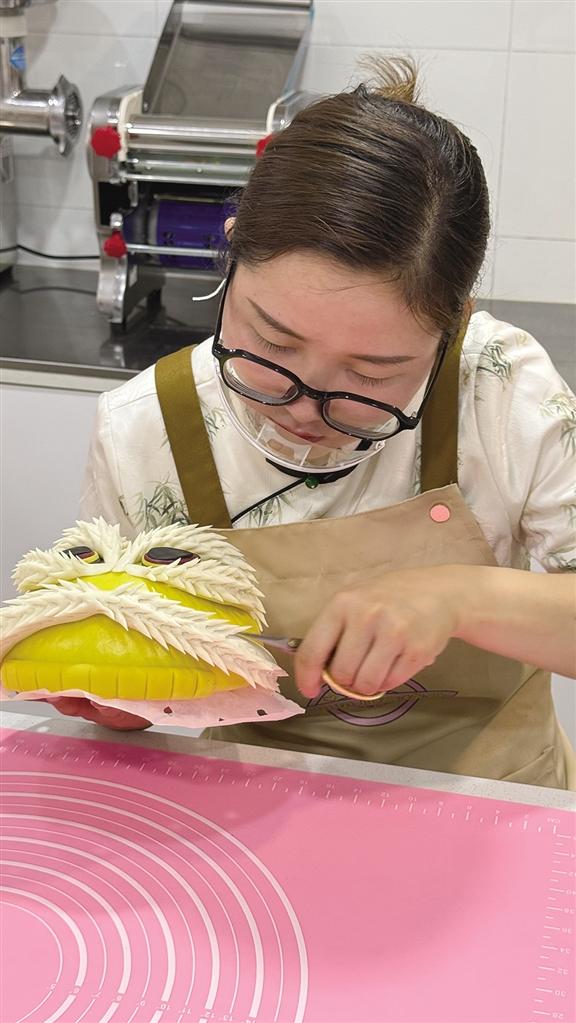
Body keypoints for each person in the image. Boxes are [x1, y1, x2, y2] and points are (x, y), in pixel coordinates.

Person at [54, 58, 576, 788]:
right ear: (231, 253)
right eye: (273, 345)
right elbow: (139, 678)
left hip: (495, 802)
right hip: (252, 814)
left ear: (452, 325)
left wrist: (460, 597)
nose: (305, 407)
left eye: (371, 376)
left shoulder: (498, 387)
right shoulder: (146, 428)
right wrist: (119, 698)